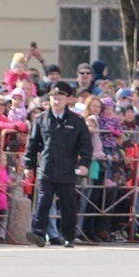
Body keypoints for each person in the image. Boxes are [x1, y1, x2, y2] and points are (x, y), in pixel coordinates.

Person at [25, 81, 92, 247]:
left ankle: (68, 236)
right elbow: (32, 144)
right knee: (42, 202)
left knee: (68, 205)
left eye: (60, 98)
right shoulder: (41, 119)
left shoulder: (76, 121)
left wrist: (84, 164)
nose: (56, 101)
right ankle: (38, 233)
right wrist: (28, 165)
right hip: (47, 168)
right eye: (54, 98)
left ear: (67, 100)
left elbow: (85, 145)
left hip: (67, 169)